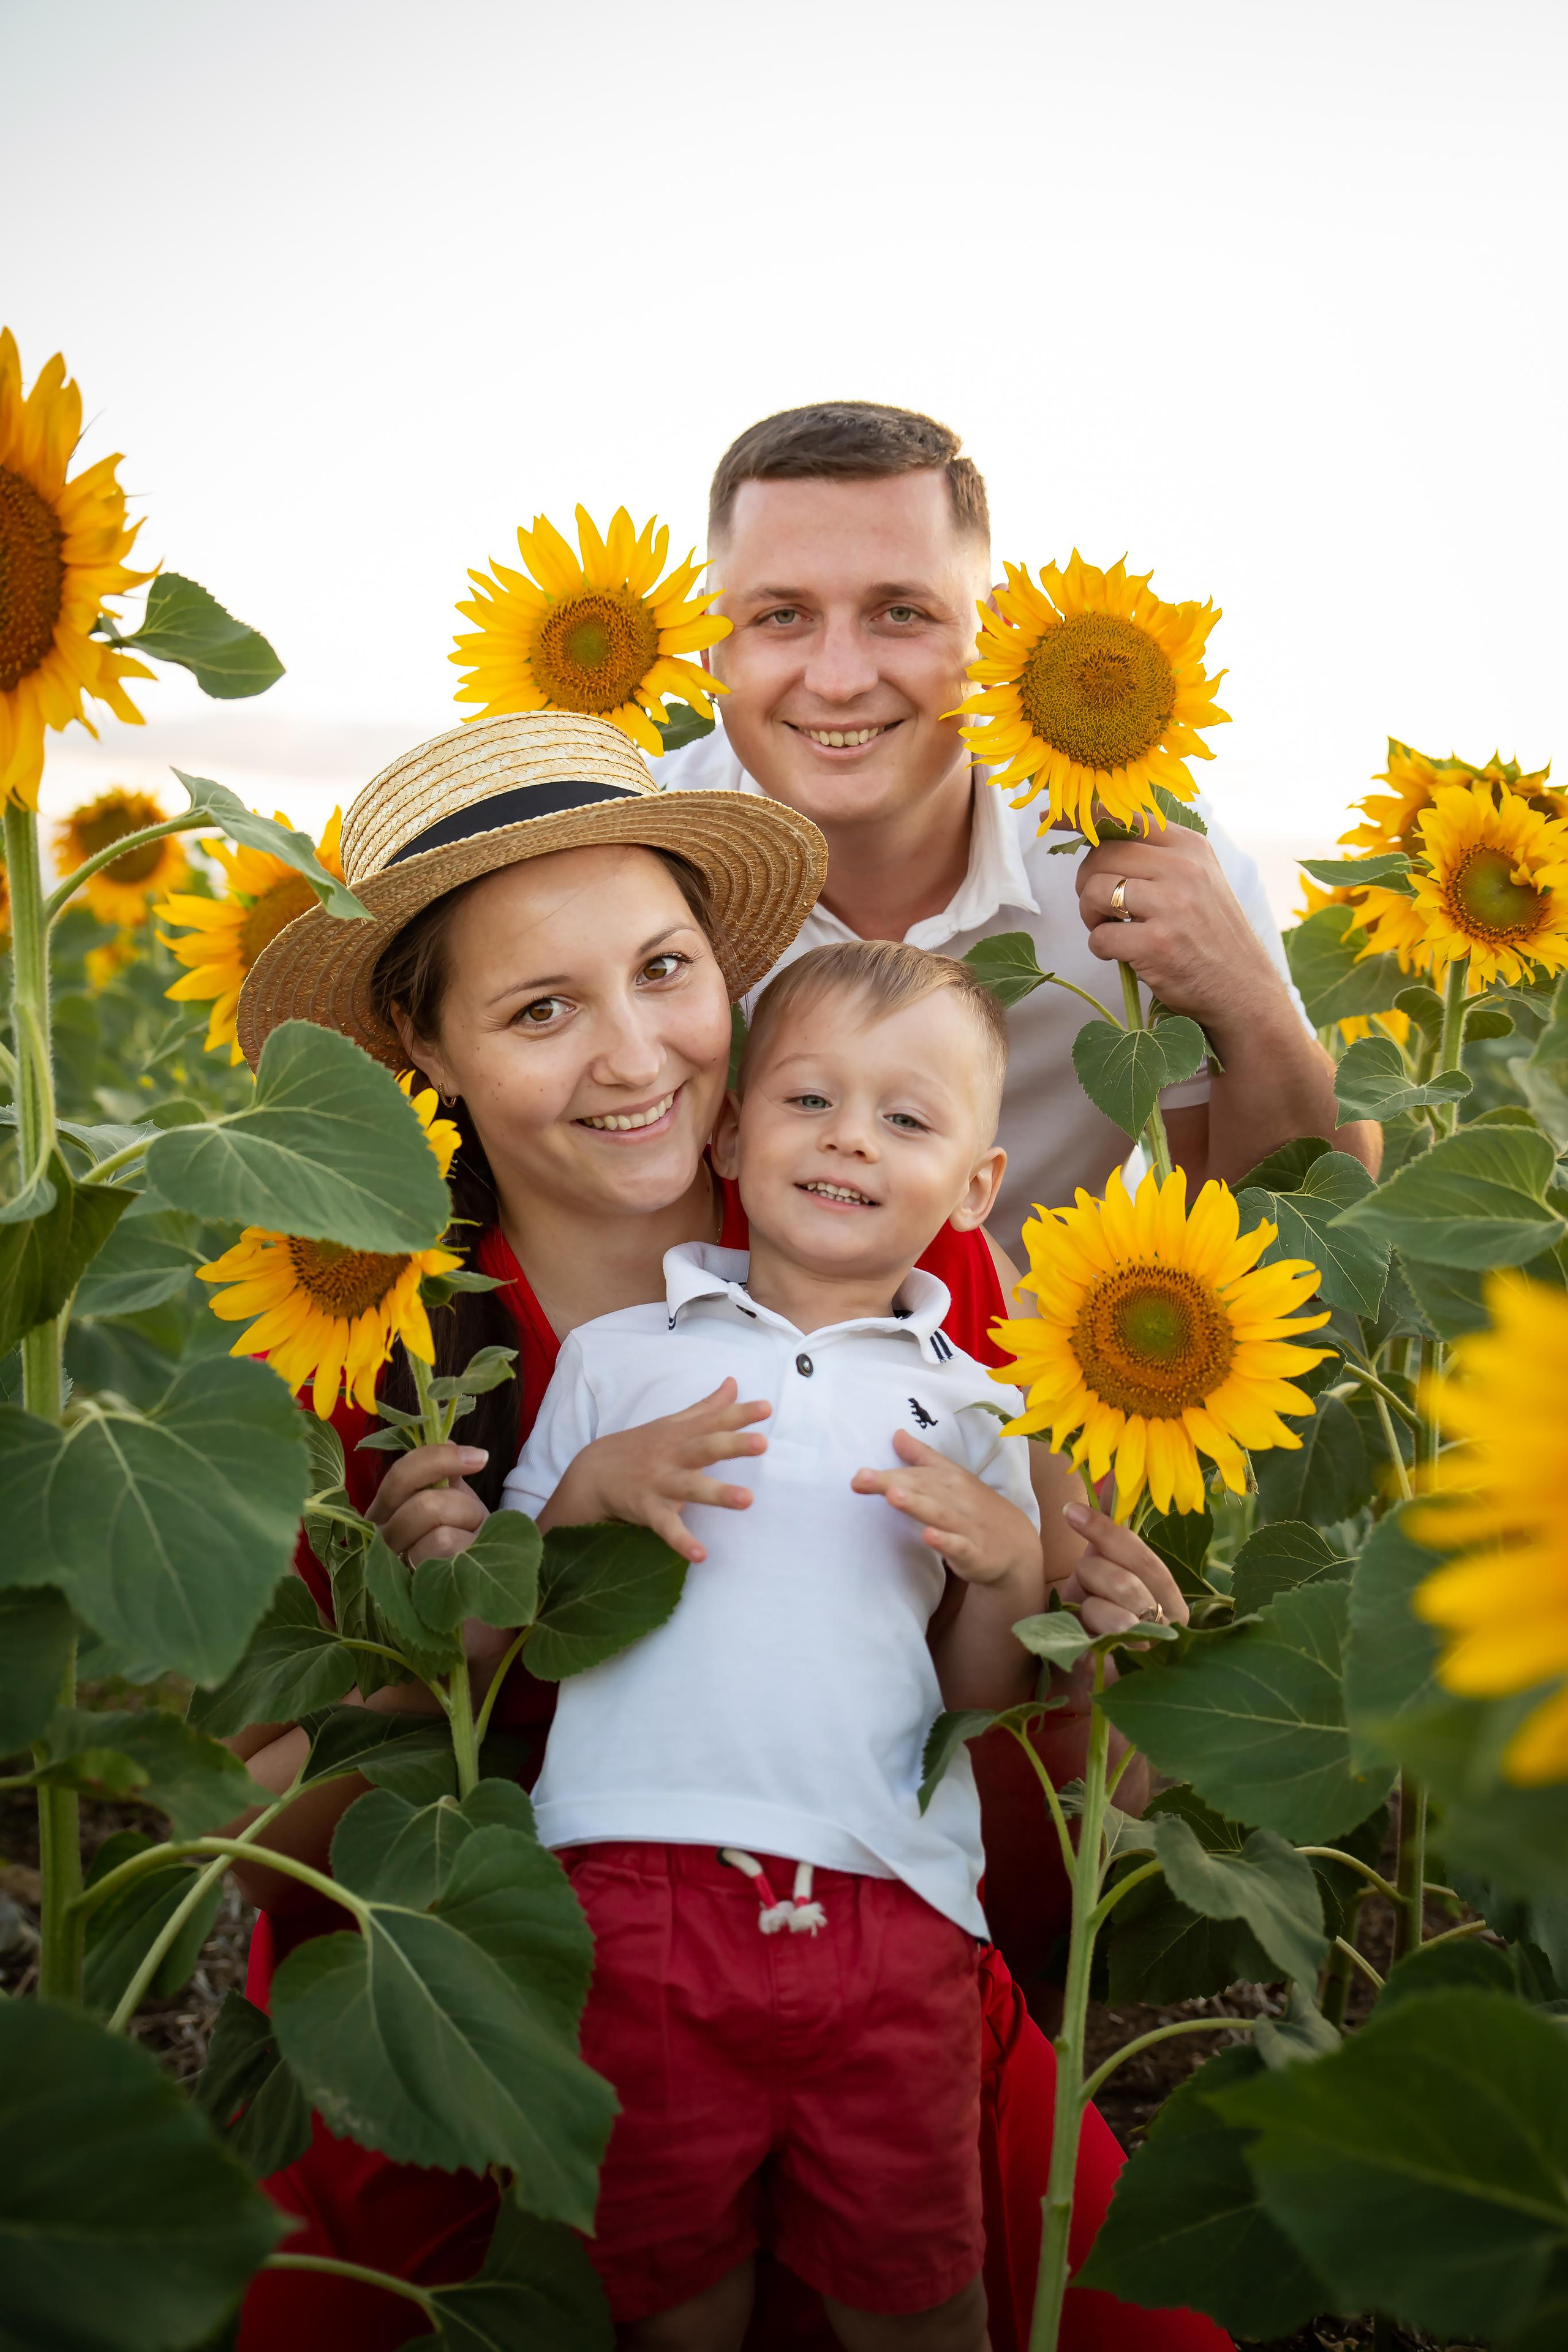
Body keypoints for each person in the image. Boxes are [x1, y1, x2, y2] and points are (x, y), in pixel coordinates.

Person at [221, 711, 1221, 2352]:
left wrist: (1088, 1647)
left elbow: (1014, 1747)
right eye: (542, 1009)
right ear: (429, 1045)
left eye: (666, 970)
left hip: (878, 1958)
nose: (635, 1057)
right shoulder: (386, 1331)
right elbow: (282, 1832)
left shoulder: (888, 1242)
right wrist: (429, 1646)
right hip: (512, 2001)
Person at [502, 940, 1045, 2351]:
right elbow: (508, 1634)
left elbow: (976, 1707)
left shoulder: (983, 1412)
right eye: (809, 1100)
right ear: (733, 1133)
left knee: (917, 2295)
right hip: (634, 1878)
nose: (850, 1138)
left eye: (908, 1119)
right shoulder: (622, 1359)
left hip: (891, 1901)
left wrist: (1002, 1570)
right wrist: (585, 1497)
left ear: (975, 1188)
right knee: (664, 2296)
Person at [660, 399, 1379, 1246]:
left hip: (1038, 1361)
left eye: (902, 613)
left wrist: (1247, 1001)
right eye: (783, 616)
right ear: (713, 654)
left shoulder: (1129, 846)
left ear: (992, 636)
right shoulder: (639, 858)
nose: (842, 677)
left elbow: (1295, 1223)